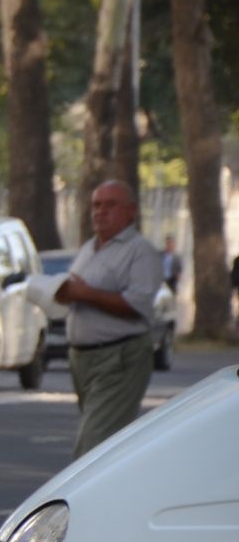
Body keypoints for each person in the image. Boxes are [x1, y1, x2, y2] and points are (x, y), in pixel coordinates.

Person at [57, 180, 164, 457]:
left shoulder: (140, 251)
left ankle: (84, 500)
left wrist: (86, 293)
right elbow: (78, 292)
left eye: (110, 205)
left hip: (118, 356)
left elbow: (136, 305)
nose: (100, 212)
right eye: (96, 205)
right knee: (107, 448)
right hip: (83, 359)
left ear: (131, 211)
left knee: (92, 445)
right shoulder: (89, 248)